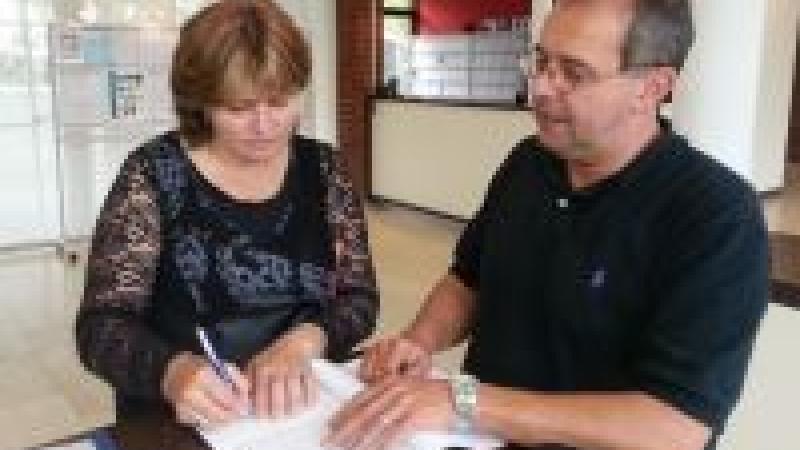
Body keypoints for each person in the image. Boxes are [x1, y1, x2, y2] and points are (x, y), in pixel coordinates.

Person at [325, 1, 768, 449]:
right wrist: (419, 341)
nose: (540, 86)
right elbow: (468, 281)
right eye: (541, 61)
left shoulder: (716, 217)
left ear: (654, 86)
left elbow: (675, 427)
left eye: (574, 73)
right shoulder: (529, 162)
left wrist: (465, 402)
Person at [75, 0, 378, 428]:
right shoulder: (154, 174)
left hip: (306, 408)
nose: (265, 124)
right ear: (200, 103)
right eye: (239, 108)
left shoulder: (325, 170)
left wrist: (307, 340)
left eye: (280, 101)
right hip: (189, 419)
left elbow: (360, 299)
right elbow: (101, 328)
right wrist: (173, 372)